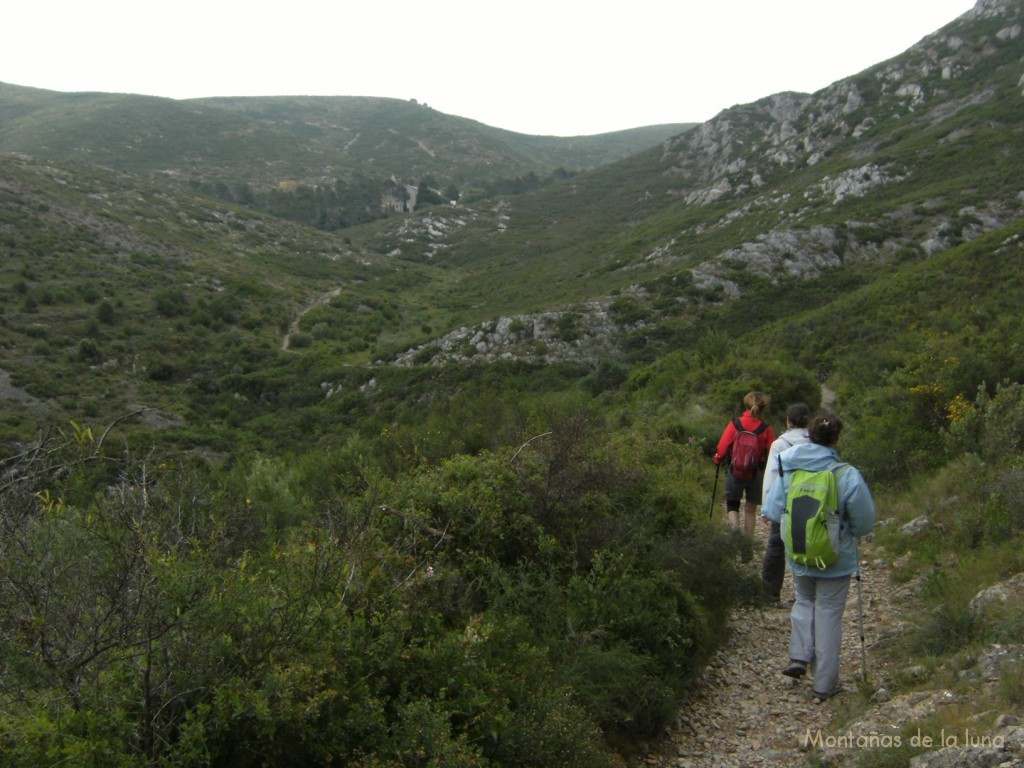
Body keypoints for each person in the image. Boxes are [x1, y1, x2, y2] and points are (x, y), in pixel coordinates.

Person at [761, 411, 875, 701]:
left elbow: (773, 511)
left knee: (804, 601)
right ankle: (824, 683)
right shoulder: (846, 473)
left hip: (799, 551)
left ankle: (799, 656)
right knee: (828, 613)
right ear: (836, 439)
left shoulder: (788, 465)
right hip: (835, 558)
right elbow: (864, 523)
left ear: (809, 435)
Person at [760, 403, 812, 604]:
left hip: (785, 502)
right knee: (808, 546)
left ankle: (770, 593)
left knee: (776, 544)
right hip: (813, 501)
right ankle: (806, 594)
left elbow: (771, 476)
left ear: (788, 421)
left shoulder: (780, 444)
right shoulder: (816, 441)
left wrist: (767, 507)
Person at [713, 392, 776, 556]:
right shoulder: (766, 428)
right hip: (757, 473)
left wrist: (718, 459)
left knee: (732, 504)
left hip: (736, 471)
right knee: (750, 509)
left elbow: (722, 446)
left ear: (745, 405)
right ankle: (747, 548)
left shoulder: (736, 424)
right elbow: (773, 451)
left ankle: (734, 528)